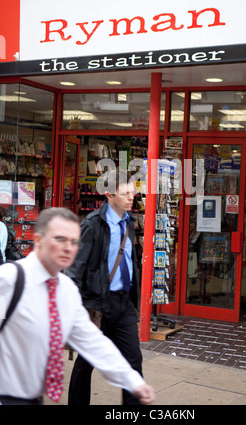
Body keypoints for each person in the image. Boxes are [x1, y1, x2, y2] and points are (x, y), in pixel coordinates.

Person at [0, 207, 154, 406]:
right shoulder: (10, 279)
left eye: (74, 242)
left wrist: (133, 381)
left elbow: (91, 341)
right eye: (60, 239)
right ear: (39, 240)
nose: (68, 248)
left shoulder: (66, 291)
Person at [67, 169, 143, 406]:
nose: (131, 197)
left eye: (133, 192)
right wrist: (75, 308)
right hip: (97, 304)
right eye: (125, 193)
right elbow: (75, 267)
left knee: (133, 361)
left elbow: (129, 261)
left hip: (123, 304)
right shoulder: (93, 224)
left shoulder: (128, 222)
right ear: (109, 196)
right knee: (86, 363)